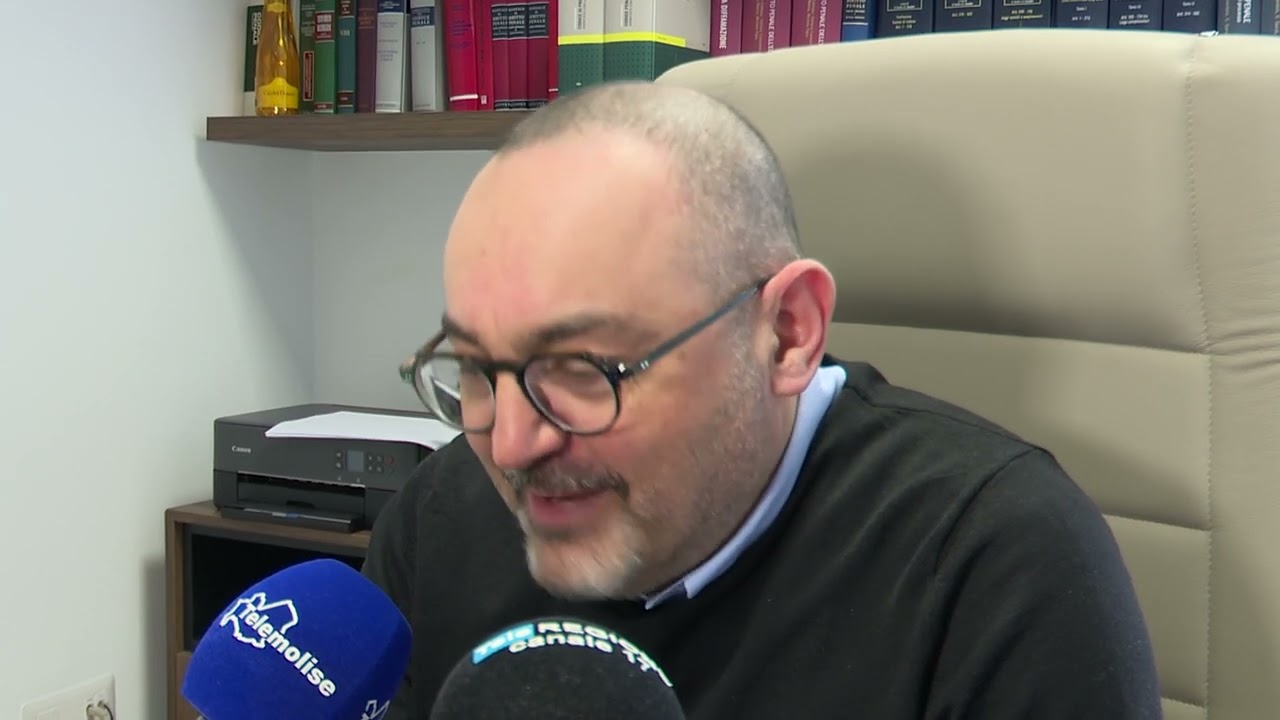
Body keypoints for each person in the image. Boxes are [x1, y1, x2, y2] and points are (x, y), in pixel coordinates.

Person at [361, 80, 1163, 719]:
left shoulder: (995, 559)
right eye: (475, 368)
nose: (511, 445)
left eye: (581, 369)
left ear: (786, 333)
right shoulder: (443, 515)